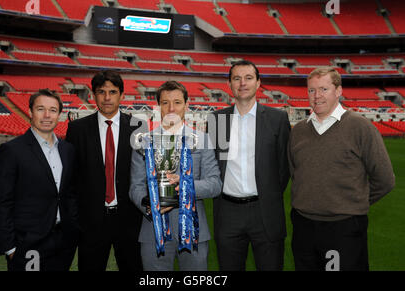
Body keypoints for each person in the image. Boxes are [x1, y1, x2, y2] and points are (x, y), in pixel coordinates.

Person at [288, 67, 395, 271]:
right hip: (304, 226)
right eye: (311, 90)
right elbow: (296, 172)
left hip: (343, 228)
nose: (317, 96)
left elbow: (385, 180)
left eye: (324, 89)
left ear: (338, 91)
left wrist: (352, 202)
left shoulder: (360, 127)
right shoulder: (299, 130)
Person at [129, 81, 222, 271]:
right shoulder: (144, 142)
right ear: (159, 106)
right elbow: (135, 187)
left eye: (177, 102)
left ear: (187, 105)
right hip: (153, 230)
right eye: (165, 103)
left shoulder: (202, 139)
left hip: (194, 229)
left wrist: (187, 185)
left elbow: (215, 184)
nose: (171, 108)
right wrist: (150, 205)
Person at [208, 60, 290, 271]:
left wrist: (267, 194)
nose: (242, 83)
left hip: (265, 212)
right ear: (229, 84)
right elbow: (214, 166)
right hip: (227, 214)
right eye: (236, 78)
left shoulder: (277, 119)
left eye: (248, 78)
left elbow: (283, 169)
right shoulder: (217, 120)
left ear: (258, 82)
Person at [0, 89, 79, 271]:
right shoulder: (12, 150)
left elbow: (70, 193)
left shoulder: (68, 150)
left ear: (59, 115)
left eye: (53, 110)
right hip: (29, 244)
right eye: (41, 109)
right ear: (30, 112)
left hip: (64, 242)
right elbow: (1, 202)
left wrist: (73, 228)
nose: (47, 115)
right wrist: (10, 248)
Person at [65, 70, 143, 271]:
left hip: (129, 219)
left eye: (113, 92)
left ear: (122, 95)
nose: (107, 97)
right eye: (101, 92)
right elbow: (71, 178)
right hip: (91, 221)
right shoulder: (77, 129)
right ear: (93, 95)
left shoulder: (138, 127)